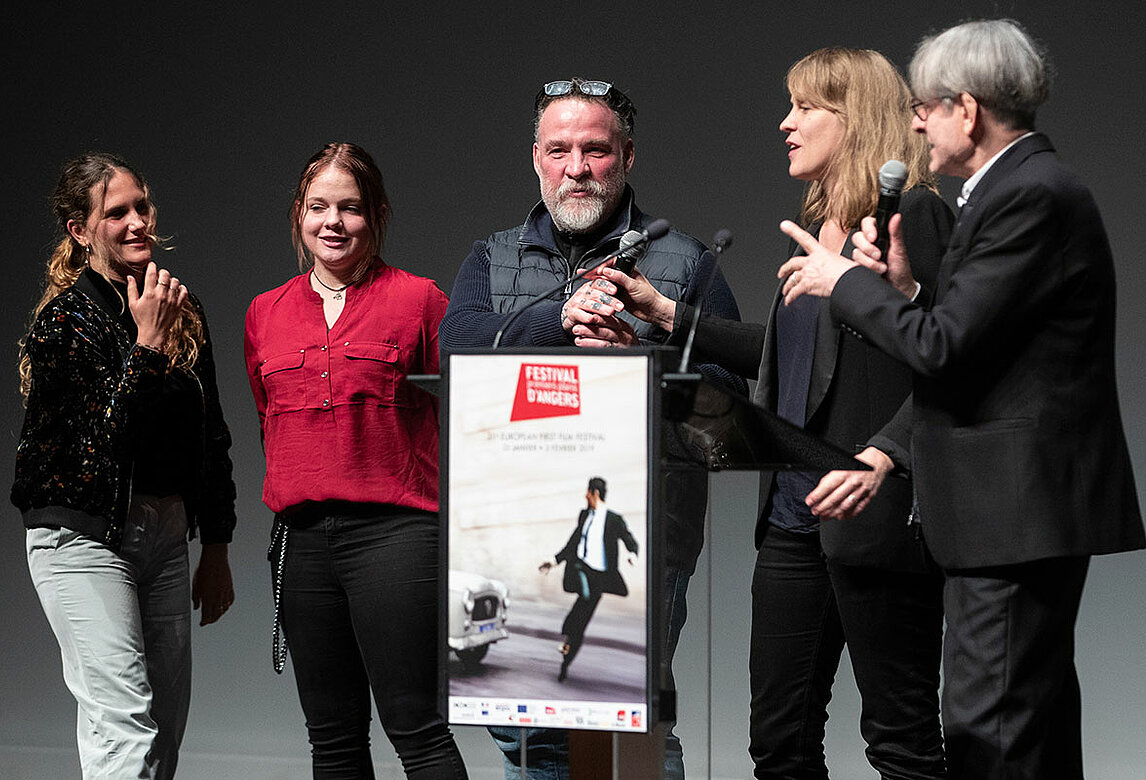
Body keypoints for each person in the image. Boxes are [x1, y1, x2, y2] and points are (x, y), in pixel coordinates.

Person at [777, 20, 1145, 779]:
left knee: (991, 733)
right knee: (1018, 731)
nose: (914, 122)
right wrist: (903, 291)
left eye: (925, 107)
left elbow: (941, 350)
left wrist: (842, 282)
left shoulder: (1027, 195)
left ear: (966, 110)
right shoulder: (1014, 192)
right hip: (1001, 516)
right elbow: (972, 338)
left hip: (1012, 516)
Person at [603, 48, 953, 779]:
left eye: (805, 108)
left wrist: (886, 457)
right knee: (780, 745)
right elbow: (791, 356)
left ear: (853, 119)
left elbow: (954, 359)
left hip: (872, 512)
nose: (785, 123)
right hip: (793, 518)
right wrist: (667, 313)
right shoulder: (819, 224)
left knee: (901, 742)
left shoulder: (910, 218)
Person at [440, 78, 744, 779]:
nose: (577, 166)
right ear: (537, 160)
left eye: (595, 150)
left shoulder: (685, 262)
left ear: (627, 156)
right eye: (560, 149)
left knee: (631, 719)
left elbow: (729, 393)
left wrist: (642, 359)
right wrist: (560, 319)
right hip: (512, 531)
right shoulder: (491, 257)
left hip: (644, 538)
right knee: (525, 728)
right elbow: (454, 347)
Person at [244, 142, 467, 779]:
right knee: (333, 741)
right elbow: (270, 419)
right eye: (319, 207)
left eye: (350, 208)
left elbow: (462, 409)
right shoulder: (266, 312)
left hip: (397, 536)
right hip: (303, 541)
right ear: (299, 214)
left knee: (418, 730)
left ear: (377, 214)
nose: (333, 223)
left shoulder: (419, 301)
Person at [12, 152, 237, 779]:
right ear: (79, 230)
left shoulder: (178, 308)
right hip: (82, 535)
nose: (137, 222)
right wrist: (145, 348)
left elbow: (210, 436)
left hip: (165, 535)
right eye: (116, 212)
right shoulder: (64, 323)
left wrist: (215, 545)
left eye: (142, 206)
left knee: (164, 725)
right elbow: (98, 450)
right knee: (124, 724)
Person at [539, 477, 639, 682]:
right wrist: (554, 560)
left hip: (600, 577)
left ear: (595, 493)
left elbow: (629, 538)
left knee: (581, 618)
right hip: (581, 569)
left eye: (587, 492)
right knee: (583, 598)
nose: (585, 496)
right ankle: (568, 635)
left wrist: (632, 553)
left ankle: (566, 657)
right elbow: (573, 541)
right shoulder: (584, 515)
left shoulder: (613, 519)